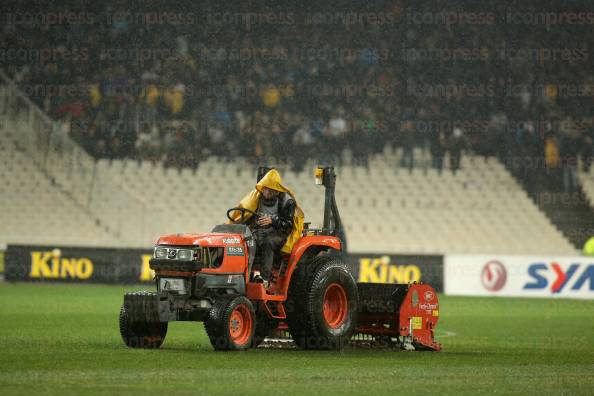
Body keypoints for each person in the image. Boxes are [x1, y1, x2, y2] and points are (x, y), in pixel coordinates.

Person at [228, 169, 304, 288]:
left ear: (276, 191)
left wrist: (272, 221)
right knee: (244, 241)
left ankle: (264, 280)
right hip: (259, 231)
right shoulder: (256, 199)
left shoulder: (287, 202)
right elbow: (247, 215)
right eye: (264, 188)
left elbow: (288, 225)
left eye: (269, 189)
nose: (265, 191)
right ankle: (241, 275)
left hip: (279, 233)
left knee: (269, 242)